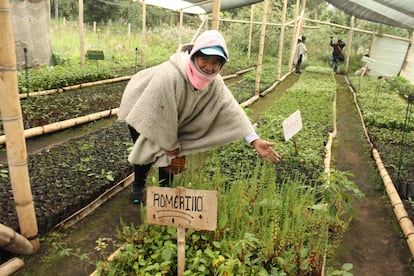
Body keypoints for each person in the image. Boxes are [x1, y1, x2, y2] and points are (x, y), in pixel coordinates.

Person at [118, 30, 281, 204]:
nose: (209, 68)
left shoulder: (214, 81)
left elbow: (231, 109)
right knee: (147, 150)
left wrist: (254, 140)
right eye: (205, 60)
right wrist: (171, 147)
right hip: (142, 109)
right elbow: (161, 116)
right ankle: (138, 185)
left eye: (215, 63)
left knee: (171, 156)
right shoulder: (169, 76)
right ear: (195, 56)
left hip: (173, 117)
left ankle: (164, 198)